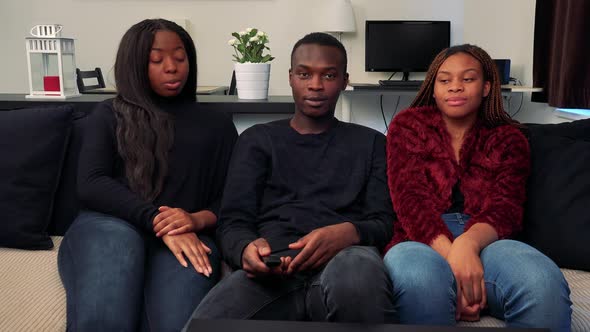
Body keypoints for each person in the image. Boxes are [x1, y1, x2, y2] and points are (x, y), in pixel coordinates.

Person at [184, 32, 396, 325]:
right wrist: (246, 248)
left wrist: (349, 233)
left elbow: (383, 221)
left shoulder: (372, 143)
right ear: (290, 77)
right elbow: (233, 221)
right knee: (204, 324)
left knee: (357, 277)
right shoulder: (257, 140)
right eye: (304, 74)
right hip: (274, 270)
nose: (315, 85)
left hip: (346, 260)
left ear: (345, 81)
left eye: (329, 75)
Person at [57, 19, 238, 331]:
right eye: (157, 60)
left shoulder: (217, 124)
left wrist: (196, 220)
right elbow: (91, 183)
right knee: (106, 318)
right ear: (135, 64)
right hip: (111, 226)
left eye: (180, 58)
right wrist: (156, 220)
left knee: (176, 325)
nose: (171, 67)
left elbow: (235, 196)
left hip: (187, 236)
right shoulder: (110, 114)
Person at [383, 44, 572, 330]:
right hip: (420, 239)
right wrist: (456, 263)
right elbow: (410, 201)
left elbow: (506, 208)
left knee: (541, 282)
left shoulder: (509, 138)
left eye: (467, 79)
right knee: (420, 280)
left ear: (486, 87)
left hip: (487, 239)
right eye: (445, 80)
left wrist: (468, 244)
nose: (455, 87)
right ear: (433, 89)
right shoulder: (406, 126)